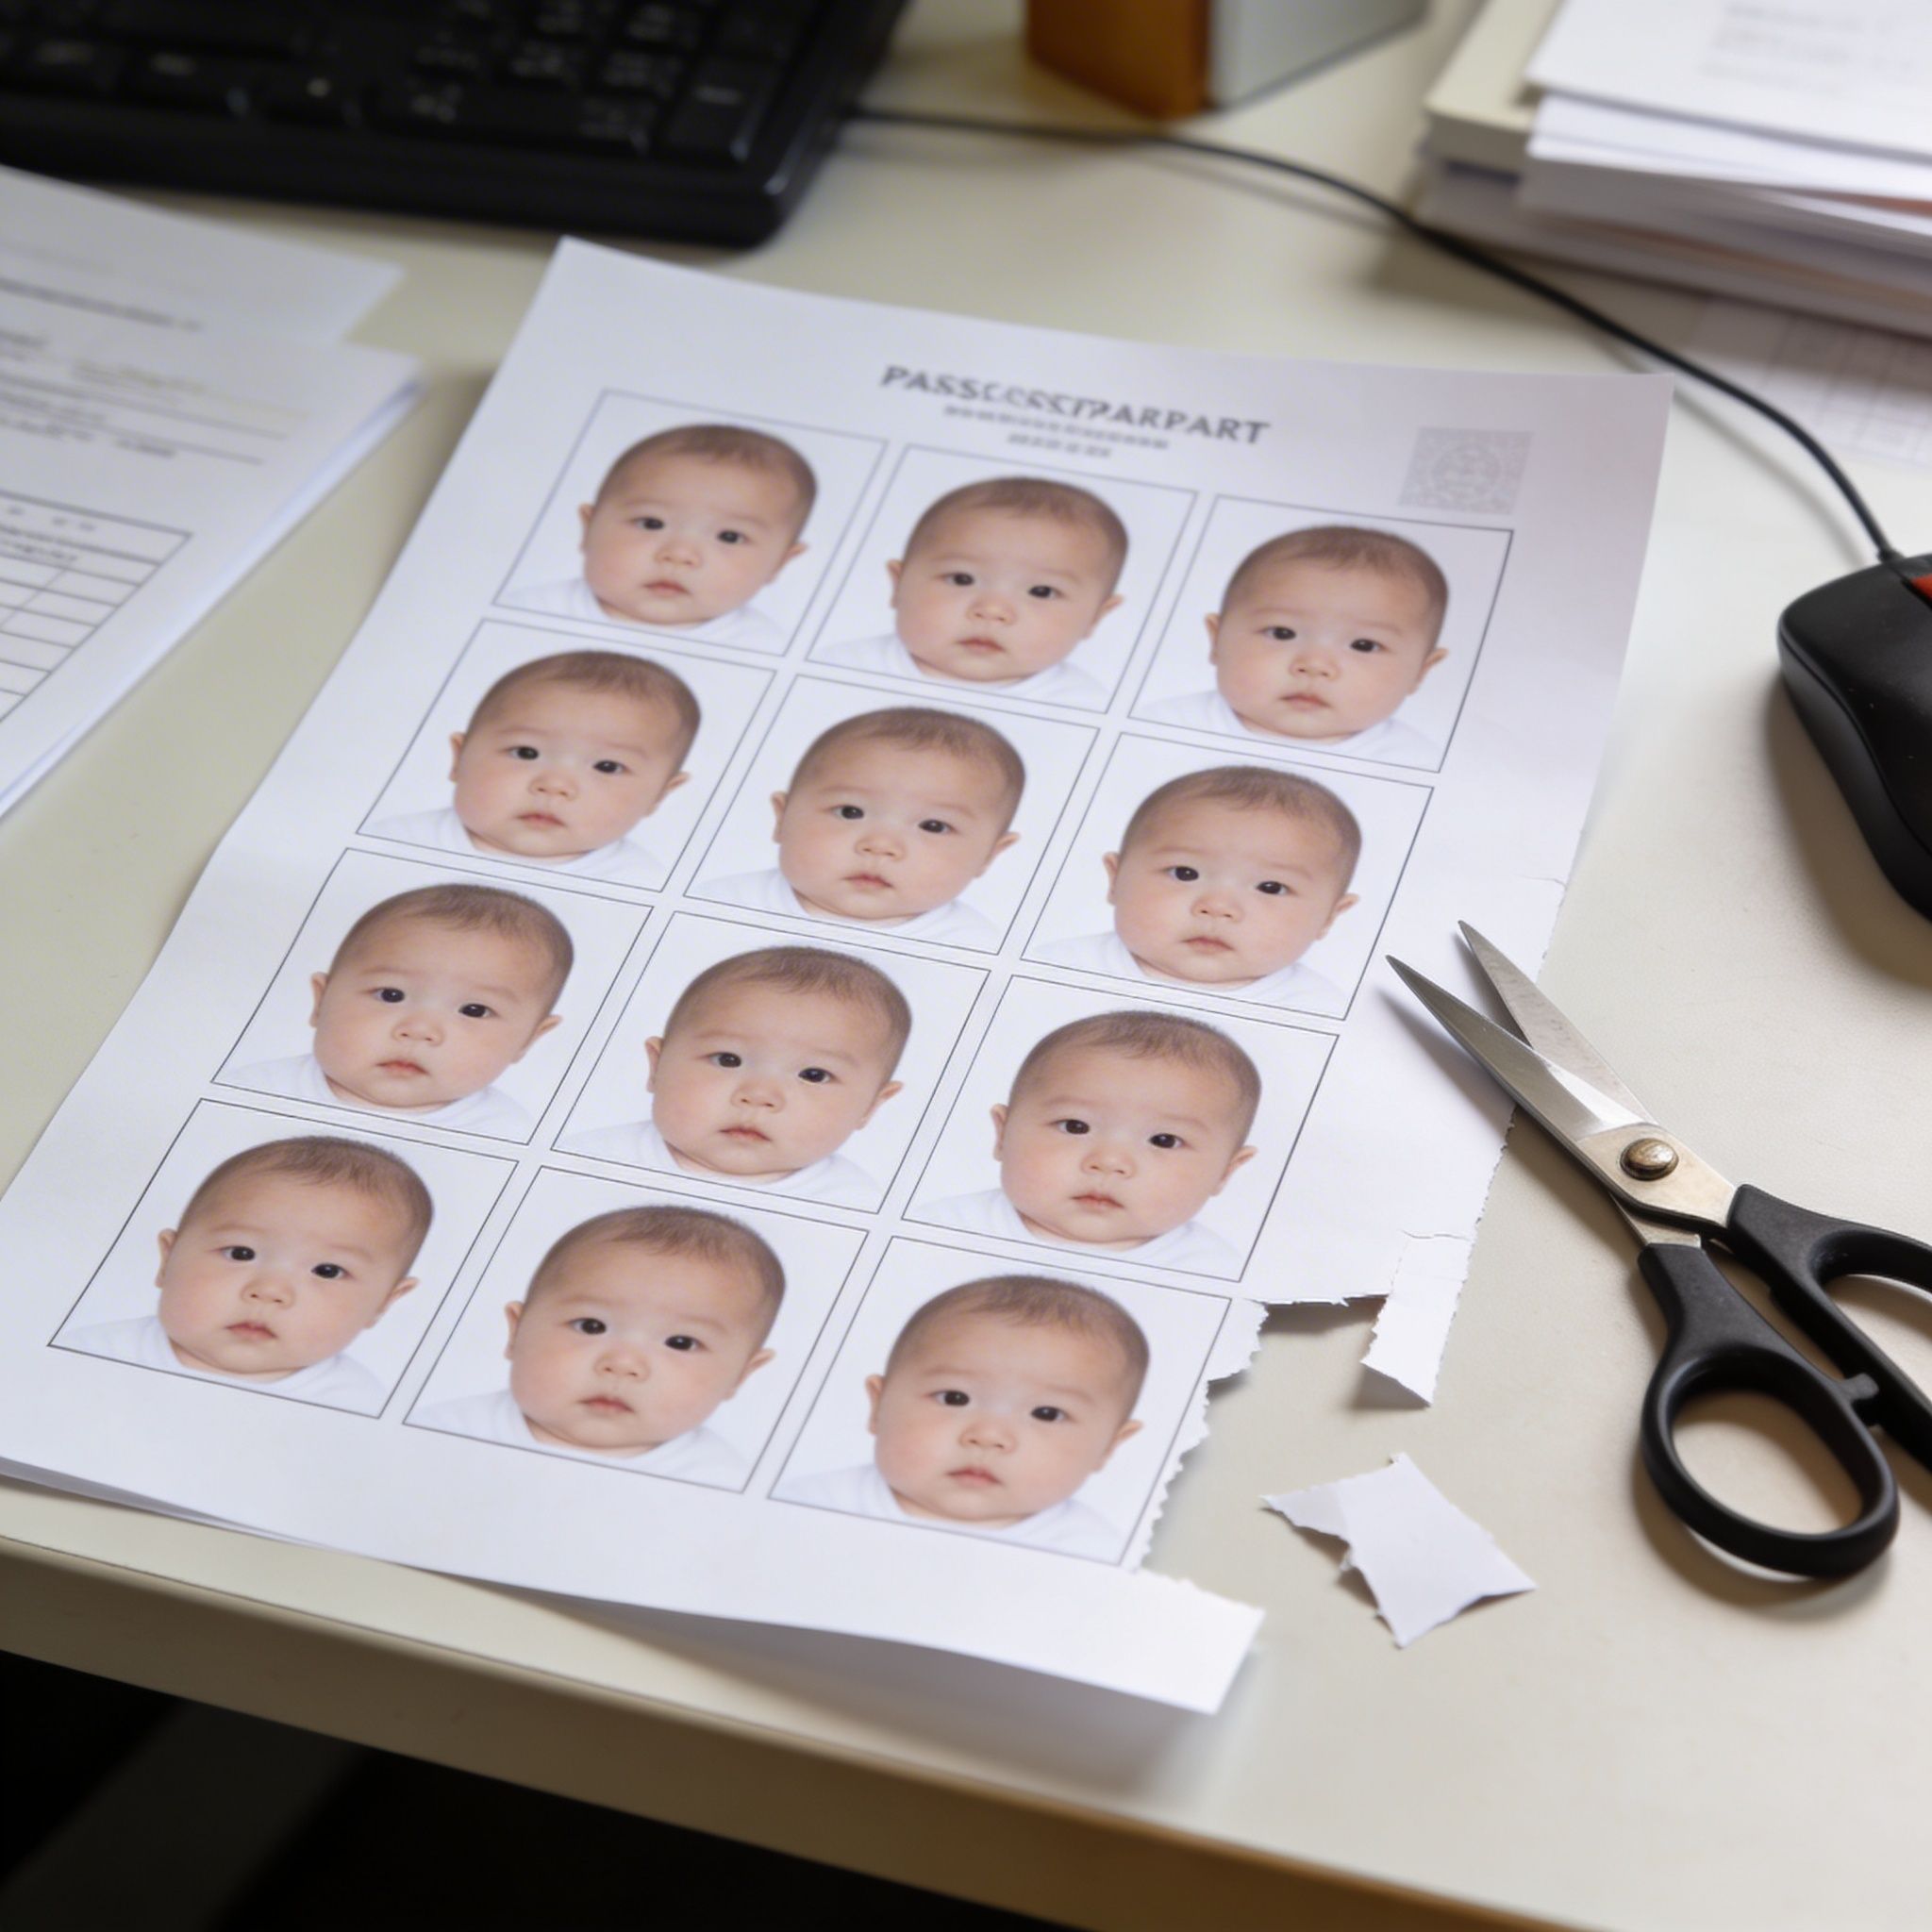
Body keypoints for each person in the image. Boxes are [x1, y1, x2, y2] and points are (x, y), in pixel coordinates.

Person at [777, 1274, 1145, 1557]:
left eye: (1047, 1413)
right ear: (879, 1405)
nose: (987, 1435)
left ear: (1108, 1446)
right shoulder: (809, 1505)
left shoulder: (1091, 1552)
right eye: (955, 1398)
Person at [418, 1205, 781, 1485]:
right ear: (517, 1331)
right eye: (591, 1326)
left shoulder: (717, 1481)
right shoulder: (442, 1431)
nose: (622, 1364)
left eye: (681, 1342)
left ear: (741, 1374)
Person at [70, 1136, 430, 1410]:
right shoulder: (92, 1353)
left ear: (383, 1303)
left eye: (327, 1271)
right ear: (168, 1259)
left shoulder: (354, 1403)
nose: (270, 1290)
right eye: (241, 1253)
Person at [560, 946, 909, 1206]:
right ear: (657, 1065)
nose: (758, 1095)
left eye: (814, 1074)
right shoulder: (587, 1159)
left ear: (870, 1106)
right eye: (728, 1059)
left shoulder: (852, 1203)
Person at [920, 1010, 1259, 1273]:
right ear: (1003, 1134)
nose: (1109, 1161)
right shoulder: (942, 1230)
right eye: (1075, 1126)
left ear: (1225, 1172)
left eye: (1164, 1140)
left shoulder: (1209, 1270)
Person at [232, 883, 571, 1137]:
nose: (419, 1029)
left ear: (529, 1039)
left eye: (474, 1010)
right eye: (391, 995)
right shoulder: (255, 1089)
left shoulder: (506, 1132)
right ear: (321, 1001)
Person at [1035, 764, 1359, 1010]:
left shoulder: (1317, 1007)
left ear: (1330, 916)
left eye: (1271, 887)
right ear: (1115, 879)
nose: (1217, 907)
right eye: (1185, 873)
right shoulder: (1055, 968)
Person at [699, 706, 1024, 948]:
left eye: (934, 826)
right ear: (782, 818)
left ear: (989, 854)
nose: (880, 845)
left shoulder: (973, 947)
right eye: (850, 812)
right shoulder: (721, 904)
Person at [371, 650, 698, 886]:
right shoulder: (395, 841)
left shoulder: (637, 882)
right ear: (460, 757)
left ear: (660, 794)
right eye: (526, 752)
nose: (554, 785)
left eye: (607, 766)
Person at [1143, 525, 1449, 766]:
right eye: (1281, 633)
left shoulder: (1411, 761)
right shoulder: (1163, 726)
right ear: (1216, 640)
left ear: (1421, 671)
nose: (1314, 665)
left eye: (1364, 645)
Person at [502, 423, 815, 649]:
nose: (679, 554)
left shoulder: (761, 648)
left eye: (729, 537)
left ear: (780, 562)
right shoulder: (530, 610)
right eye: (651, 523)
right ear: (589, 528)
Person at [819, 475, 1126, 706]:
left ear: (1095, 617)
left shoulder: (1080, 704)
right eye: (962, 579)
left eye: (1042, 591)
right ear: (898, 585)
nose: (992, 610)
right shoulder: (841, 667)